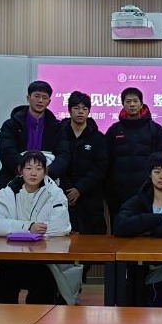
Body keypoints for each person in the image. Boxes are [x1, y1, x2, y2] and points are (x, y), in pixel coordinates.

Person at [0, 151, 76, 305]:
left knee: (44, 284)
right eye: (28, 168)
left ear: (45, 171)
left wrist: (15, 229)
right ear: (21, 170)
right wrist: (28, 227)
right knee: (2, 283)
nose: (33, 173)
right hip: (11, 258)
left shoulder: (55, 193)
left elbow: (62, 226)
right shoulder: (8, 192)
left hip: (43, 261)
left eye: (39, 168)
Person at [113, 152, 162, 307]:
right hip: (142, 270)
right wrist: (156, 219)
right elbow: (119, 225)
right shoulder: (139, 200)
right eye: (157, 172)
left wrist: (152, 231)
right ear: (149, 174)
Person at [105, 87, 162, 220]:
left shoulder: (155, 129)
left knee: (145, 225)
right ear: (123, 104)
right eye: (128, 101)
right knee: (119, 225)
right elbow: (106, 160)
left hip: (146, 189)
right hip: (118, 191)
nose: (132, 104)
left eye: (135, 101)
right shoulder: (114, 130)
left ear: (141, 104)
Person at [0, 80, 70, 190]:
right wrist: (24, 170)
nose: (40, 101)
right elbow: (6, 152)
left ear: (49, 102)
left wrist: (47, 172)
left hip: (47, 182)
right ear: (28, 98)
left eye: (44, 97)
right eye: (37, 96)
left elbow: (64, 155)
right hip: (14, 179)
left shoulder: (58, 127)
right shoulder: (11, 124)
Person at [59, 91, 108, 234]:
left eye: (84, 109)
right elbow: (56, 163)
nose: (80, 112)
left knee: (93, 239)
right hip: (62, 195)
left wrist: (79, 189)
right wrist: (68, 190)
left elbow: (101, 168)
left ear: (89, 112)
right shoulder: (59, 135)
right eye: (76, 108)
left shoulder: (98, 138)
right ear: (69, 110)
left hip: (90, 196)